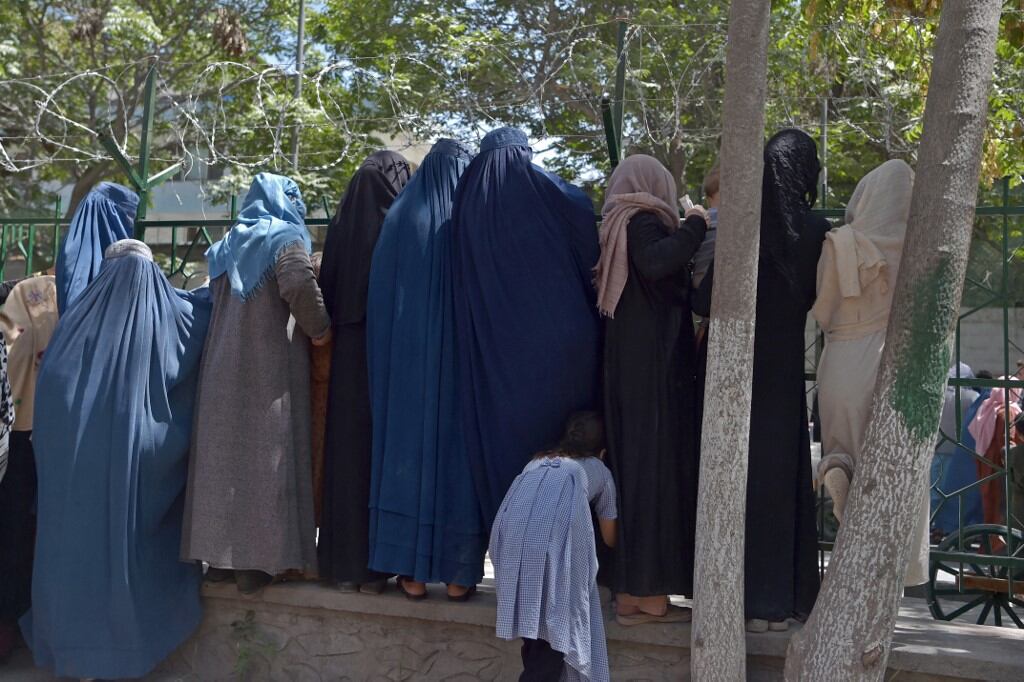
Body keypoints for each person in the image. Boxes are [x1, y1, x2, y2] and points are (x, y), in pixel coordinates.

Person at [22, 239, 211, 679]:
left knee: (71, 557)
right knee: (129, 556)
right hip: (135, 472)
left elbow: (52, 394)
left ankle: (73, 654)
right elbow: (199, 320)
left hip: (70, 476)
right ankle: (124, 652)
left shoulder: (75, 324)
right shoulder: (168, 317)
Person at [694, 128, 828, 632]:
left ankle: (737, 600)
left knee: (735, 483)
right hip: (784, 370)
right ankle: (781, 601)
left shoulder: (741, 228)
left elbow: (700, 302)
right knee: (780, 479)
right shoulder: (818, 230)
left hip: (730, 373)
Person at [182, 173, 331, 594]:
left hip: (221, 370)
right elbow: (300, 283)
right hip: (269, 371)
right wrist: (320, 330)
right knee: (268, 463)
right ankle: (259, 564)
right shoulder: (284, 238)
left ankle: (222, 561)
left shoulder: (229, 243)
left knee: (225, 464)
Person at [451, 126, 601, 530]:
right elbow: (587, 238)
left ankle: (513, 549)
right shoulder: (552, 191)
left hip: (494, 353)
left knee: (505, 454)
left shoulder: (465, 202)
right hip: (562, 346)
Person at [365, 140, 486, 600]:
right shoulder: (468, 219)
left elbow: (379, 301)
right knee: (458, 464)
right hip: (458, 372)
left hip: (405, 370)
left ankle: (409, 573)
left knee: (405, 460)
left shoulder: (397, 219)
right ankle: (458, 576)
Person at [595, 154, 707, 624]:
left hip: (635, 368)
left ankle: (633, 591)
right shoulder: (641, 219)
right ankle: (643, 593)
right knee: (650, 475)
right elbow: (658, 262)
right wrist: (697, 225)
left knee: (638, 474)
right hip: (649, 373)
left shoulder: (619, 222)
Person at [813, 159, 929, 586]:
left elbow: (822, 312)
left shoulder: (839, 242)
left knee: (845, 449)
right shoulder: (918, 247)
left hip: (840, 358)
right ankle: (893, 574)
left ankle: (838, 468)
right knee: (898, 472)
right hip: (890, 359)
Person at [318, 151, 412, 593]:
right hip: (390, 354)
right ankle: (379, 567)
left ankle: (344, 566)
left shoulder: (340, 226)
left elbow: (327, 290)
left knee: (347, 458)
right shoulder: (402, 222)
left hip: (346, 356)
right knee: (382, 457)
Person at [490, 412, 616, 682]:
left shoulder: (536, 463)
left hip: (513, 543)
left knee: (534, 632)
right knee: (556, 638)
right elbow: (610, 536)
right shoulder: (599, 469)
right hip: (556, 546)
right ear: (602, 451)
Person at [0, 275, 57, 662]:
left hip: (16, 436)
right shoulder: (69, 300)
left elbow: (15, 350)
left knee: (12, 534)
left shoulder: (16, 315)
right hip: (61, 433)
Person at [55, 181, 136, 313]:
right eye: (129, 216)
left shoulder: (72, 248)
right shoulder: (78, 256)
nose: (131, 224)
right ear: (110, 214)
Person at [933, 370, 991, 536]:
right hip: (960, 451)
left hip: (938, 449)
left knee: (936, 491)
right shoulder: (973, 398)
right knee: (956, 492)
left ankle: (934, 526)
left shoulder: (940, 394)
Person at [968, 376, 1022, 525]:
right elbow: (1007, 442)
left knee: (990, 503)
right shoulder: (1008, 412)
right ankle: (998, 544)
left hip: (986, 461)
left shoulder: (987, 407)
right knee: (1001, 506)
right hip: (1001, 465)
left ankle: (989, 541)